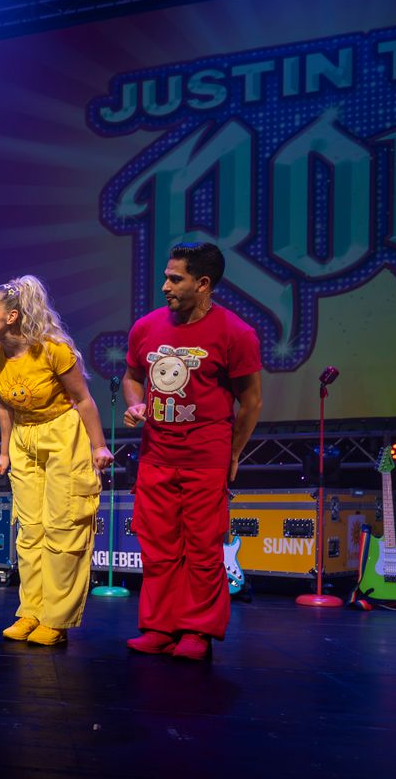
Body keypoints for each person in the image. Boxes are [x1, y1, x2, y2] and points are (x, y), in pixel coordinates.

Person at [122, 242, 262, 660]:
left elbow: (250, 402)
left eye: (175, 278)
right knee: (157, 544)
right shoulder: (146, 328)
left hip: (205, 456)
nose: (165, 285)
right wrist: (135, 403)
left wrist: (233, 452)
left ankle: (196, 631)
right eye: (166, 276)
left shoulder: (235, 333)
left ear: (203, 284)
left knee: (202, 547)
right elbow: (132, 375)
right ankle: (159, 626)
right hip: (156, 456)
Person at [0, 276, 113, 646]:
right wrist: (5, 452)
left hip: (62, 435)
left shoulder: (53, 350)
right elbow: (5, 406)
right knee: (30, 531)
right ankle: (31, 611)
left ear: (13, 316)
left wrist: (98, 446)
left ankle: (56, 618)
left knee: (63, 527)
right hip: (24, 440)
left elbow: (84, 399)